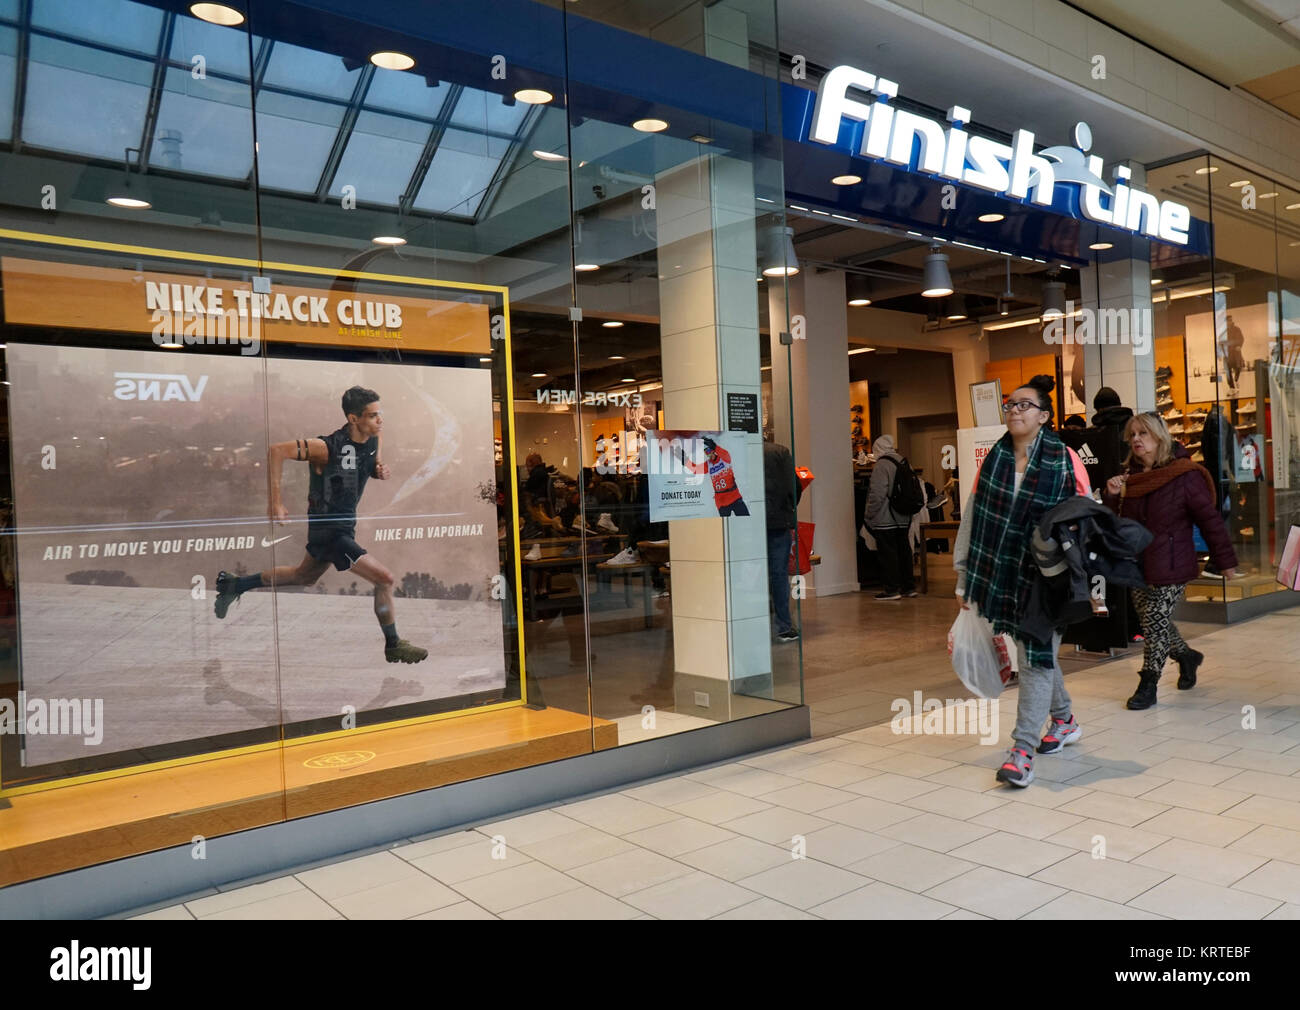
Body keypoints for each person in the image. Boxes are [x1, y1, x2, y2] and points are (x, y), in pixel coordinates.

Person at [213, 386, 428, 664]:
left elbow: (368, 465)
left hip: (344, 526)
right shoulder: (326, 447)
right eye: (373, 416)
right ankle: (394, 644)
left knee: (304, 576)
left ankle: (235, 584)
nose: (380, 420)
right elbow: (276, 451)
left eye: (379, 414)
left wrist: (378, 470)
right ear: (353, 419)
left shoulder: (374, 439)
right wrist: (275, 502)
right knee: (384, 578)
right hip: (330, 531)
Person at [953, 375, 1092, 788]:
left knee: (1033, 657)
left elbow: (1083, 517)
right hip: (1001, 574)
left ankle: (1021, 752)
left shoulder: (1064, 458)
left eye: (1024, 405)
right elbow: (974, 517)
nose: (1014, 410)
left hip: (1048, 577)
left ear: (1044, 416)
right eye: (1010, 405)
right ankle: (1064, 719)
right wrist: (964, 578)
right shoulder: (993, 459)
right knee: (1036, 653)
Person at [1102, 412, 1237, 709]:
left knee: (1155, 621)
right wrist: (1112, 497)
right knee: (1152, 622)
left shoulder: (1185, 475)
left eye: (1143, 434)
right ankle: (1187, 656)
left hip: (1173, 563)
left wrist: (1224, 559)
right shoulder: (1131, 478)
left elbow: (1210, 520)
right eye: (1133, 435)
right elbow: (1118, 525)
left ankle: (1148, 683)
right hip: (1138, 564)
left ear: (1160, 437)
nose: (1136, 439)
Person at [863, 434, 917, 600]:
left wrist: (868, 515)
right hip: (903, 517)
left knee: (888, 554)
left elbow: (877, 494)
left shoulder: (882, 465)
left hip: (886, 518)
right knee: (904, 551)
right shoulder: (904, 462)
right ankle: (908, 587)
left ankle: (891, 589)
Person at [764, 439, 802, 641]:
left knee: (749, 573)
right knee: (778, 574)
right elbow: (793, 486)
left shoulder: (736, 450)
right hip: (778, 521)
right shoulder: (780, 452)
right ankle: (783, 626)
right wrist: (788, 508)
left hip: (746, 522)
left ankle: (751, 624)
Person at [678, 436, 749, 517]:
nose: (709, 454)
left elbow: (725, 454)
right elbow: (696, 469)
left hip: (735, 497)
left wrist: (715, 446)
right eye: (706, 452)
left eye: (709, 450)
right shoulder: (708, 464)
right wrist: (685, 461)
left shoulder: (724, 458)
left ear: (713, 451)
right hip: (721, 502)